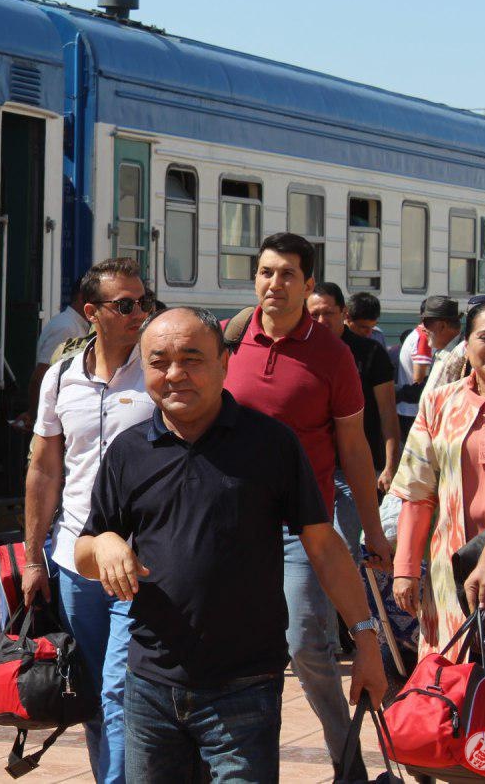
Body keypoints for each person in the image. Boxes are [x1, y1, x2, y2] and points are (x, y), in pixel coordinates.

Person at [76, 307, 387, 783]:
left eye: (191, 359)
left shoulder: (271, 444)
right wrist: (105, 544)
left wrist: (365, 640)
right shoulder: (129, 451)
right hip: (151, 685)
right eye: (159, 362)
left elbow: (323, 547)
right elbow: (84, 552)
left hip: (244, 688)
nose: (174, 374)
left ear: (224, 362)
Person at [222, 232, 392, 781]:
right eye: (266, 272)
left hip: (303, 528)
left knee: (306, 645)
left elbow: (354, 449)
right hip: (235, 525)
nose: (275, 283)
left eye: (288, 274)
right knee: (235, 650)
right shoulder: (228, 338)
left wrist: (372, 531)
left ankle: (348, 761)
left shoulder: (332, 354)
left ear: (308, 283)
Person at [21, 258, 155, 782]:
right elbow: (44, 470)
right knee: (95, 692)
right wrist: (34, 559)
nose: (138, 313)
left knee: (121, 687)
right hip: (75, 563)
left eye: (143, 302)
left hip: (137, 560)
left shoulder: (156, 372)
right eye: (125, 305)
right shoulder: (61, 377)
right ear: (92, 312)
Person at [390, 296, 485, 657]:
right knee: (457, 673)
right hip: (452, 569)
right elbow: (417, 493)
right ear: (467, 343)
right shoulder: (439, 403)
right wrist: (406, 568)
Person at [307, 283, 402, 562]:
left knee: (346, 552)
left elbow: (388, 414)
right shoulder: (301, 353)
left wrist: (390, 465)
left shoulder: (369, 353)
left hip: (355, 469)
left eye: (328, 313)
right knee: (311, 551)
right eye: (314, 315)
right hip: (312, 469)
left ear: (343, 313)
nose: (321, 321)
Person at [17, 278, 90, 428]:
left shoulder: (75, 324)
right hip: (55, 416)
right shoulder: (66, 327)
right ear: (82, 297)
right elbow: (40, 376)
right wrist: (34, 414)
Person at [396, 296, 463, 437]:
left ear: (442, 326)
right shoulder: (443, 352)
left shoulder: (462, 353)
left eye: (426, 322)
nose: (422, 327)